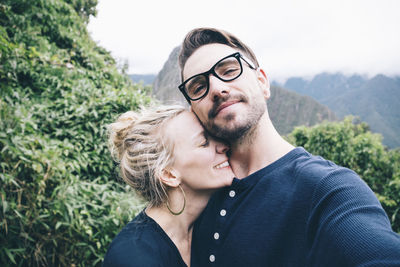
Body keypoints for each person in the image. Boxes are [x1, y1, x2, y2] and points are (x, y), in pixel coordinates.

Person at [177, 27, 400, 266]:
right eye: (198, 87)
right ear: (194, 111)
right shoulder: (193, 189)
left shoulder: (328, 191)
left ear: (262, 82)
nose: (216, 89)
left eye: (229, 70)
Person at [103, 105, 234, 266]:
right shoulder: (133, 257)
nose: (224, 146)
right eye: (204, 142)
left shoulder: (210, 227)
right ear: (169, 175)